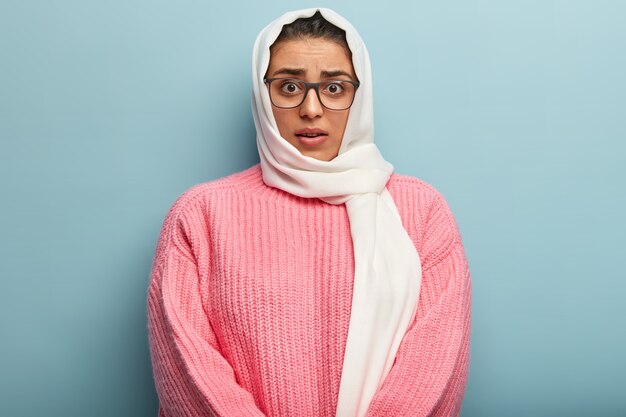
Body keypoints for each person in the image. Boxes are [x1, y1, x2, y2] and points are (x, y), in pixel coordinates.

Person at [147, 8, 471, 417]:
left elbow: (436, 362)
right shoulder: (201, 215)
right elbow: (187, 367)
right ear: (262, 94)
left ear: (361, 93)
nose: (312, 109)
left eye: (334, 88)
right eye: (289, 87)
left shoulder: (421, 211)